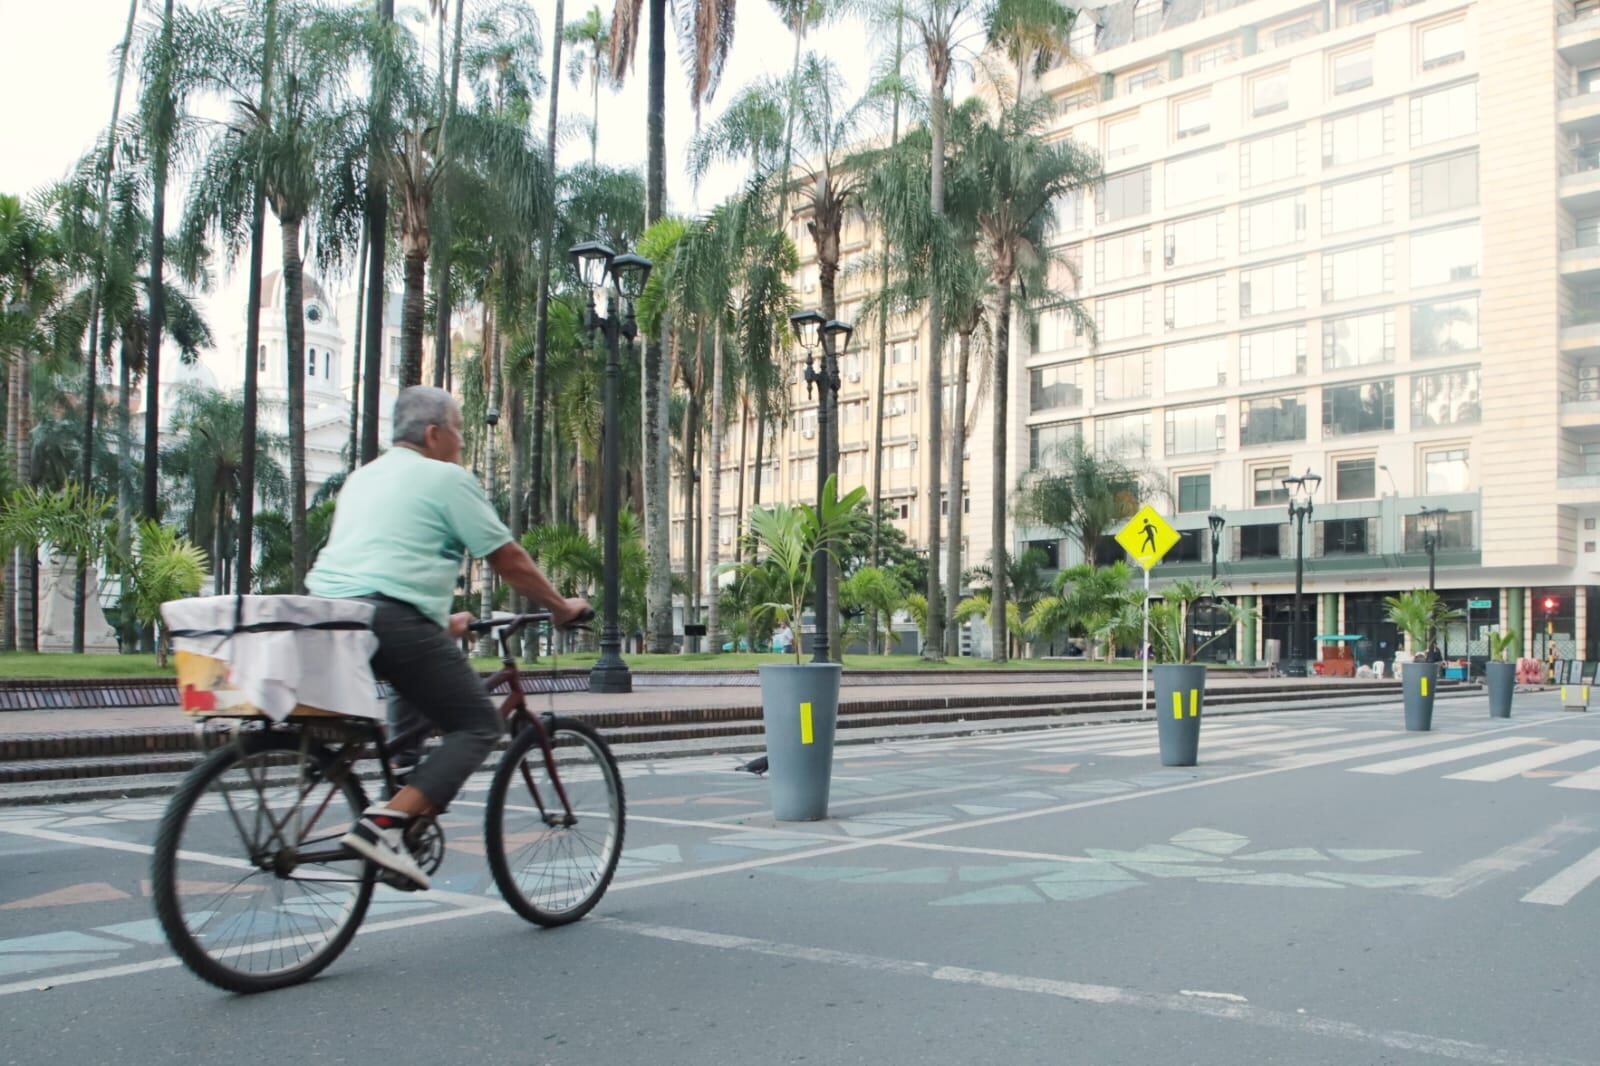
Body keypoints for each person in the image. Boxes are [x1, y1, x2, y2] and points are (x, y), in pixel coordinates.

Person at [307, 386, 589, 889]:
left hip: (331, 618)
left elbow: (375, 570)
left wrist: (441, 622)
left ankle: (403, 794)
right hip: (391, 623)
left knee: (411, 695)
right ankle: (386, 825)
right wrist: (561, 606)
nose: (461, 444)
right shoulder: (445, 478)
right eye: (458, 432)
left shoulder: (361, 478)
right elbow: (508, 558)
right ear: (435, 434)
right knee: (478, 725)